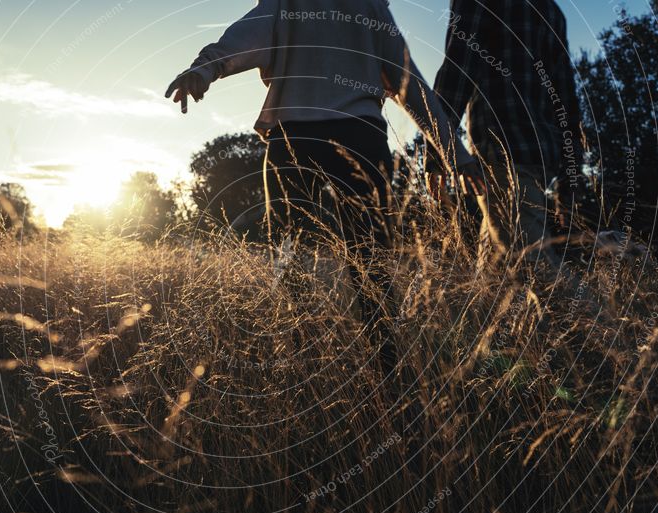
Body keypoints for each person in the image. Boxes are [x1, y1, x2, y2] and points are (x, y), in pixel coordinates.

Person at [166, 0, 479, 380]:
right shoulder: (369, 6)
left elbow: (244, 37)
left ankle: (306, 368)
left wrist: (204, 68)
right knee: (369, 262)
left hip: (294, 137)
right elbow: (407, 83)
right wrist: (455, 154)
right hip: (359, 137)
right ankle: (386, 373)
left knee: (291, 255)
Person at [428, 0, 586, 269]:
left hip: (501, 152)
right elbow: (566, 99)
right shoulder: (552, 10)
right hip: (541, 156)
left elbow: (459, 66)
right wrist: (570, 180)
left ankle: (591, 313)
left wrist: (437, 148)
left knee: (537, 271)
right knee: (493, 283)